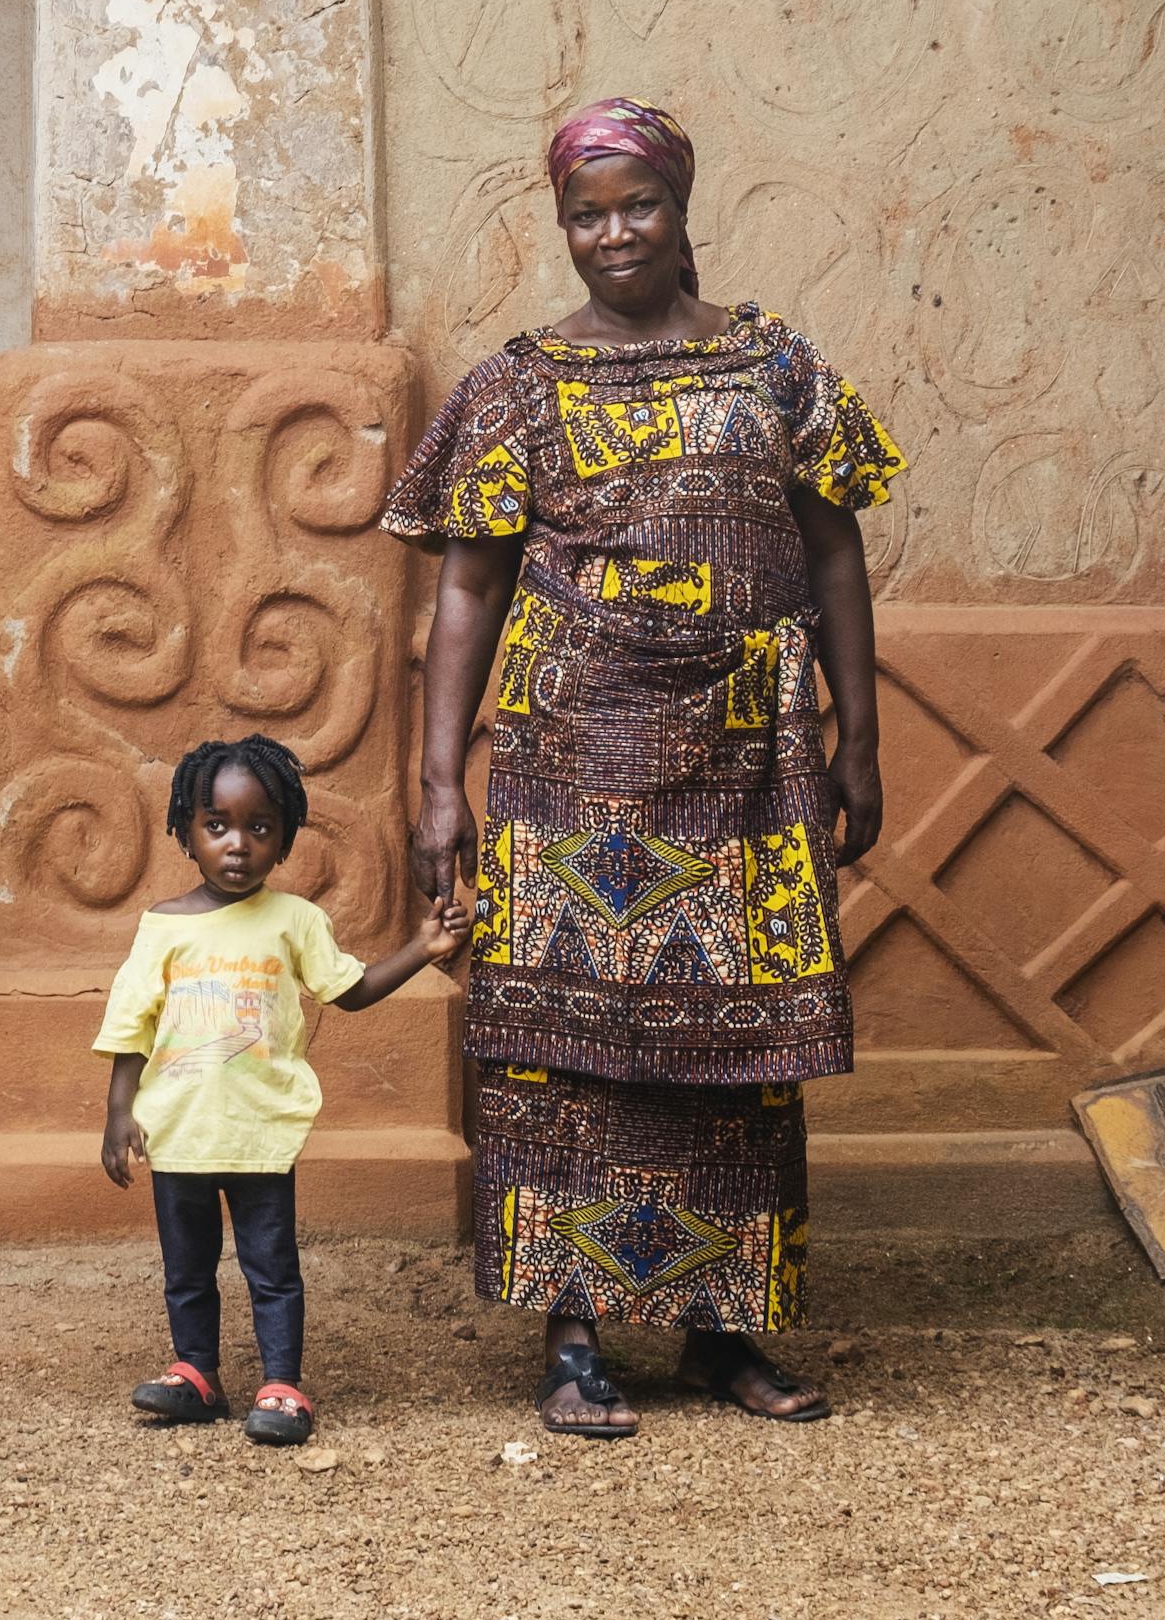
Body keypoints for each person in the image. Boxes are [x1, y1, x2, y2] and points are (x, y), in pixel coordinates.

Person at [384, 98, 901, 1439]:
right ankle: (574, 1339)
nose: (612, 234)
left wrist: (865, 735)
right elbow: (466, 596)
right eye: (585, 214)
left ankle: (725, 1332)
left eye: (637, 206)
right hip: (570, 770)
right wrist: (440, 782)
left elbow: (835, 547)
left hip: (752, 766)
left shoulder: (771, 365)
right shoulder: (516, 385)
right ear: (563, 226)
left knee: (738, 1055)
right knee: (569, 1055)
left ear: (681, 205)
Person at [97, 735, 462, 1447]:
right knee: (188, 1268)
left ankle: (282, 1383)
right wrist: (118, 1115)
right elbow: (130, 1026)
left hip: (261, 1130)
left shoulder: (296, 921)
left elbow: (350, 989)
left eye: (259, 827)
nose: (238, 844)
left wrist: (424, 947)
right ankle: (197, 1373)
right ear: (185, 833)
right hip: (178, 1132)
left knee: (272, 1267)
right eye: (217, 825)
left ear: (285, 839)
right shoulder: (162, 926)